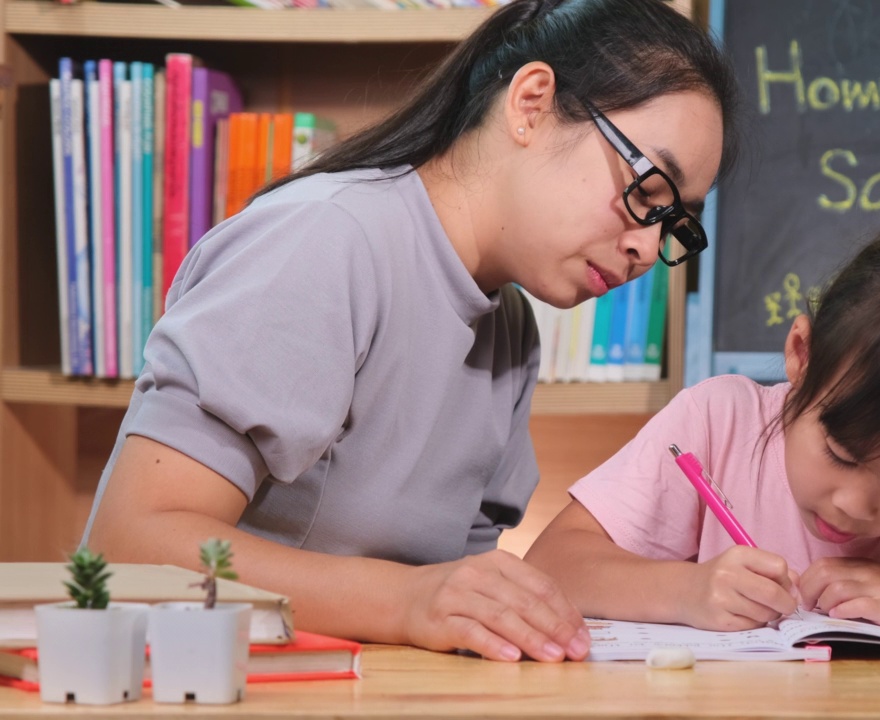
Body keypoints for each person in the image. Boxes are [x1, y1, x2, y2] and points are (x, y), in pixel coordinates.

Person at [82, 0, 738, 663]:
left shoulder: (508, 325)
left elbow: (457, 586)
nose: (649, 250)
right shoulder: (324, 242)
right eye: (647, 191)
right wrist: (407, 601)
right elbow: (130, 545)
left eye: (675, 224)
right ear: (532, 104)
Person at [524, 201, 880, 632]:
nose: (853, 504)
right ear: (801, 353)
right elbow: (551, 564)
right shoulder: (717, 422)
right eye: (841, 453)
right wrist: (687, 591)